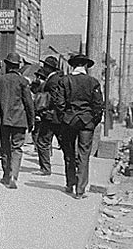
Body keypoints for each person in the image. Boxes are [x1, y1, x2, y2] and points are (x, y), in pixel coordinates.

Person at [53, 54, 104, 199]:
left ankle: (70, 183)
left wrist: (63, 117)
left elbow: (59, 103)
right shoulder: (93, 82)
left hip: (69, 120)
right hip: (87, 122)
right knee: (84, 154)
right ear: (86, 66)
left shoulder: (65, 81)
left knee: (69, 153)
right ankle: (80, 190)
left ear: (72, 65)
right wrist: (94, 121)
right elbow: (98, 105)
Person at [0, 53, 35, 189]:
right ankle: (14, 175)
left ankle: (5, 175)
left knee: (5, 147)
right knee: (17, 148)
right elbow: (29, 103)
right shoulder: (23, 81)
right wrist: (31, 121)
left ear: (7, 65)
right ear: (18, 66)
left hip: (2, 120)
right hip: (20, 120)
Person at [33, 56, 66, 176]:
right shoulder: (60, 78)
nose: (43, 68)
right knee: (65, 143)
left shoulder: (52, 81)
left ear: (48, 68)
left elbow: (54, 98)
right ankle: (76, 166)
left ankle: (45, 168)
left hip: (50, 117)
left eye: (45, 66)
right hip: (60, 117)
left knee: (42, 142)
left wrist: (47, 110)